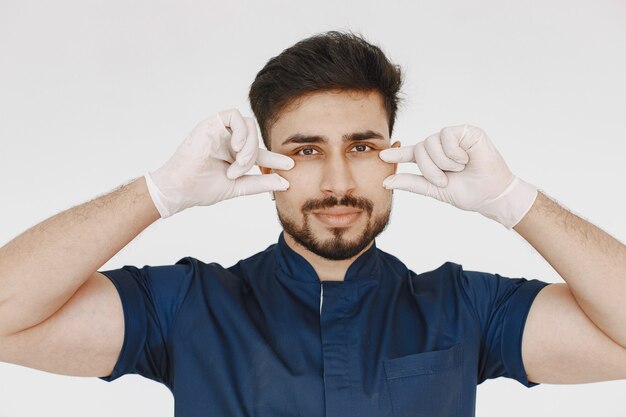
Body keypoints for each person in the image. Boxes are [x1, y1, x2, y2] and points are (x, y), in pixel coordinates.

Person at [0, 30, 624, 417]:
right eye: (304, 150)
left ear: (393, 153)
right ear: (262, 159)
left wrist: (515, 201)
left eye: (360, 147)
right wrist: (160, 193)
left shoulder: (465, 308)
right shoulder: (187, 307)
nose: (337, 183)